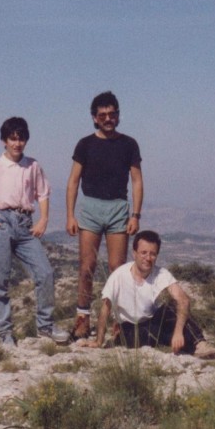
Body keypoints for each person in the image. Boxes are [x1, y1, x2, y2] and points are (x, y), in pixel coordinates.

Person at [0, 117, 71, 347]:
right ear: (4, 140)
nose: (17, 143)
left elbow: (42, 194)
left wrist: (43, 219)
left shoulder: (33, 166)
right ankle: (5, 333)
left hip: (25, 224)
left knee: (45, 273)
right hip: (1, 224)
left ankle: (45, 326)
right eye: (12, 138)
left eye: (21, 138)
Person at [66, 91, 143, 340]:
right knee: (86, 266)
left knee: (117, 268)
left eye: (112, 114)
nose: (108, 119)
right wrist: (70, 215)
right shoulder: (85, 144)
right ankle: (82, 319)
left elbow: (137, 181)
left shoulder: (129, 144)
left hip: (118, 208)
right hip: (90, 208)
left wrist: (135, 215)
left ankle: (118, 322)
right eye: (103, 115)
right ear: (94, 118)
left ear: (118, 115)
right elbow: (73, 181)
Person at [78, 230, 215, 359]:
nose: (148, 258)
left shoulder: (160, 274)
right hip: (130, 330)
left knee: (169, 309)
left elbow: (183, 300)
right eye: (144, 253)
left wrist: (178, 331)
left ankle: (199, 344)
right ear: (134, 253)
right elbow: (105, 308)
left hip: (151, 323)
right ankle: (187, 344)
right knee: (153, 332)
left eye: (153, 254)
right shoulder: (119, 275)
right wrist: (99, 340)